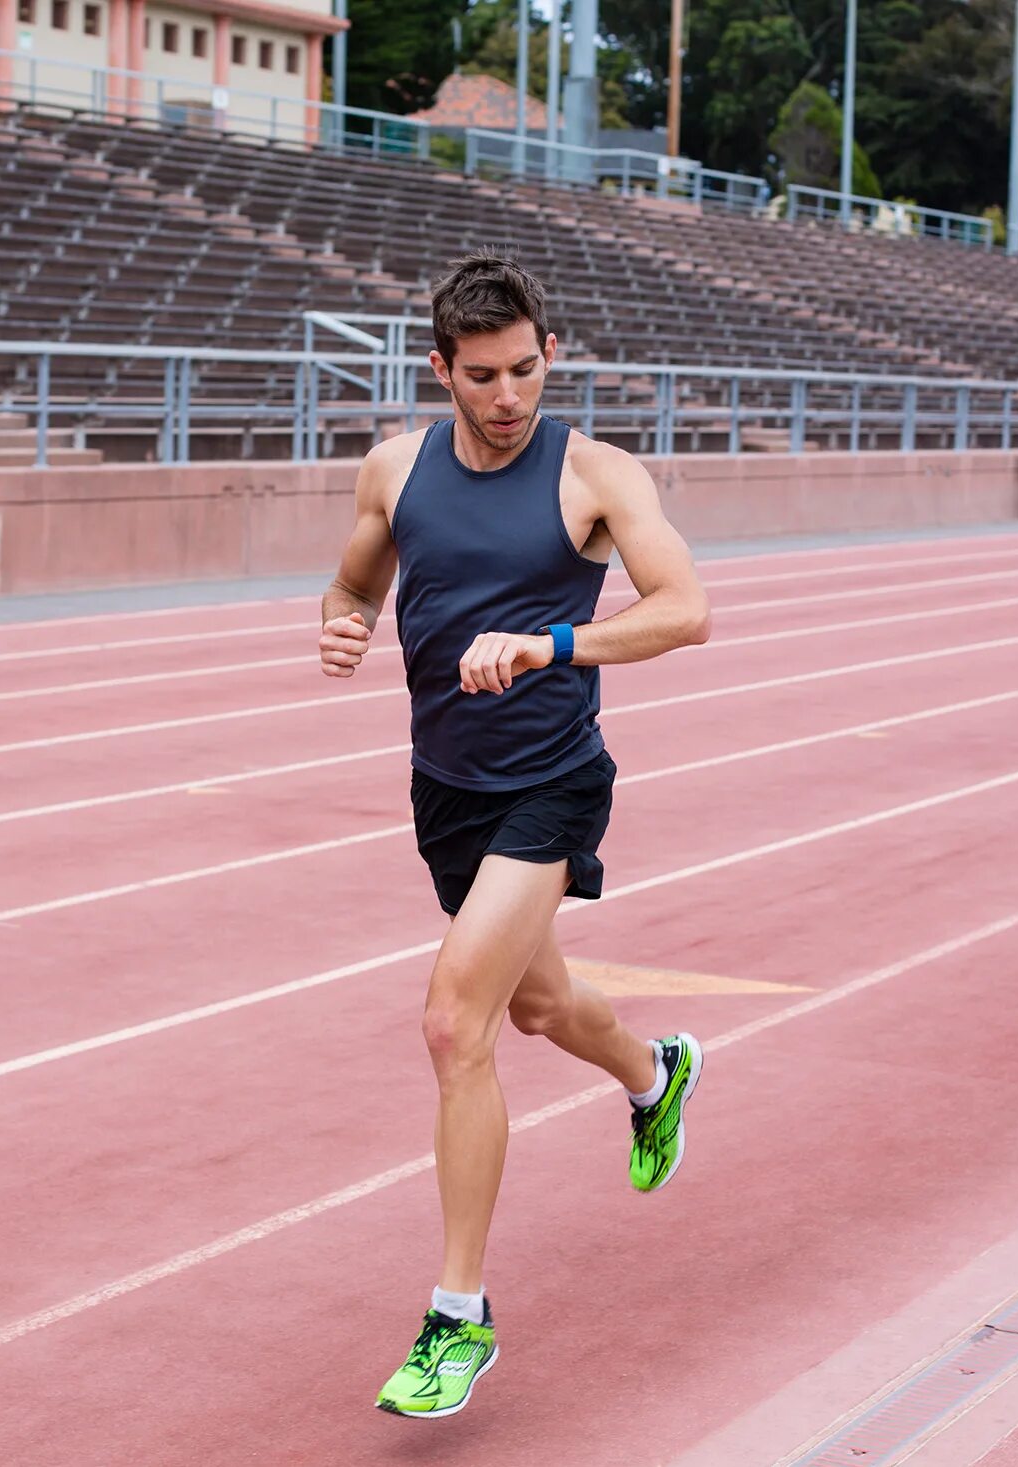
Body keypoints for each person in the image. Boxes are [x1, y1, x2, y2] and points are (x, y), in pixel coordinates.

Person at [318, 252, 714, 1419]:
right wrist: (339, 629)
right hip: (445, 789)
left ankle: (457, 1318)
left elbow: (687, 611)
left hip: (550, 781)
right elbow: (350, 588)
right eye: (482, 375)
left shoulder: (591, 473)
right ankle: (656, 1074)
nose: (508, 396)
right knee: (538, 1008)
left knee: (455, 1023)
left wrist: (553, 643)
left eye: (526, 370)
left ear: (551, 355)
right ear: (439, 369)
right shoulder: (394, 469)